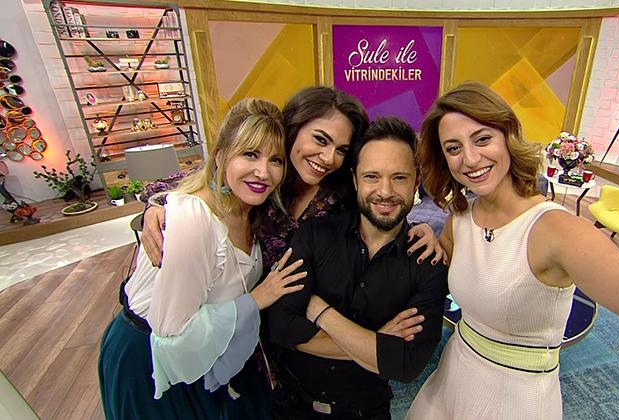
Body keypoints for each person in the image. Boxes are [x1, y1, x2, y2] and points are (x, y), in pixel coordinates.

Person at [406, 81, 619, 419]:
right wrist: (431, 240)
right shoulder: (461, 215)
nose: (469, 158)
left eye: (482, 139)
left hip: (515, 396)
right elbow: (450, 261)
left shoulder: (557, 229)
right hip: (456, 369)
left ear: (507, 136)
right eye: (453, 148)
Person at [98, 99, 307, 419]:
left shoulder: (252, 210)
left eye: (275, 159)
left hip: (201, 361)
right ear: (221, 156)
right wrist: (256, 300)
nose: (263, 172)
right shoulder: (193, 218)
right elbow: (173, 341)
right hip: (151, 364)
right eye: (250, 154)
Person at [140, 87, 446, 273]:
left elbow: (379, 210)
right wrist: (158, 208)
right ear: (294, 128)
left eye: (341, 149)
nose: (328, 157)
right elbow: (176, 184)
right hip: (237, 315)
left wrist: (417, 230)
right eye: (320, 140)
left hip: (300, 328)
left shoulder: (341, 192)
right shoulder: (263, 176)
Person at [267, 116, 449, 419]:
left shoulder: (428, 263)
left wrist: (319, 311)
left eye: (399, 177)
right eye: (372, 176)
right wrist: (375, 342)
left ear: (416, 181)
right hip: (291, 406)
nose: (385, 191)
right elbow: (280, 328)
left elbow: (405, 365)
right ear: (355, 180)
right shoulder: (315, 235)